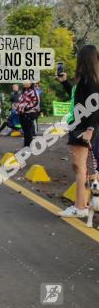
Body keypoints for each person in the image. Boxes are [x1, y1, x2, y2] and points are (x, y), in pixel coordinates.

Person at [56, 45, 99, 218]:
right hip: (78, 126)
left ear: (83, 58)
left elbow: (95, 106)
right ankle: (83, 205)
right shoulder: (85, 79)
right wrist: (65, 82)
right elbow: (77, 99)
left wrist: (89, 129)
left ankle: (80, 207)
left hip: (82, 128)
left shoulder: (90, 79)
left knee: (81, 168)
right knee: (80, 167)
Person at [14, 80, 40, 150]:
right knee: (25, 131)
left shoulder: (33, 92)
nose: (24, 83)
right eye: (24, 81)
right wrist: (18, 108)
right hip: (22, 113)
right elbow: (21, 101)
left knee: (28, 131)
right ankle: (26, 145)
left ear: (31, 83)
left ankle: (29, 147)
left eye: (26, 81)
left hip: (29, 113)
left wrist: (25, 108)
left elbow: (35, 102)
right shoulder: (23, 92)